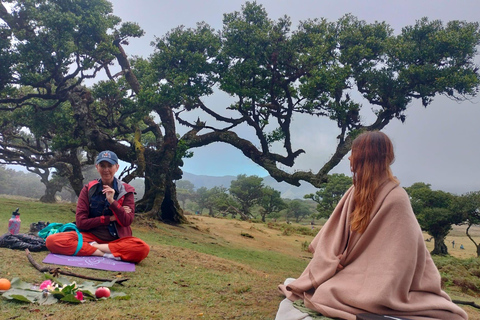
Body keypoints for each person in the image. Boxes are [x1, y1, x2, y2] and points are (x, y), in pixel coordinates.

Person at [275, 131, 467, 320]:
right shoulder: (355, 191)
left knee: (329, 293)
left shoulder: (397, 198)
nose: (349, 157)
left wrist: (369, 274)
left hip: (385, 278)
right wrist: (335, 259)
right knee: (324, 290)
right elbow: (336, 232)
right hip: (353, 269)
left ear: (365, 157)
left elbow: (402, 256)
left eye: (354, 153)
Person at [46, 150, 150, 263]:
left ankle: (93, 248)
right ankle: (105, 253)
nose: (106, 170)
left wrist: (112, 202)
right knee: (52, 241)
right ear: (97, 167)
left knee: (142, 248)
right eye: (102, 165)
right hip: (90, 236)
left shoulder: (126, 191)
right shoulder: (88, 189)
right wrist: (109, 219)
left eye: (109, 165)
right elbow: (81, 222)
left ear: (117, 167)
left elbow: (126, 221)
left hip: (117, 240)